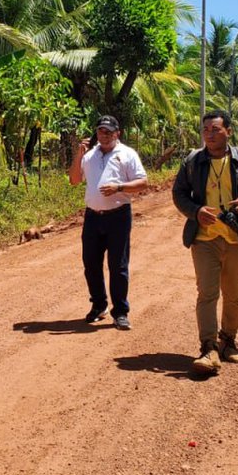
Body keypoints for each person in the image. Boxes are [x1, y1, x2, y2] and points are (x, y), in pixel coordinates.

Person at [172, 110, 238, 376]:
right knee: (207, 293)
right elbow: (179, 193)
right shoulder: (193, 161)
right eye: (206, 129)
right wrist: (195, 212)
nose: (209, 133)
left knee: (233, 294)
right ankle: (208, 348)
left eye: (215, 129)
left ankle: (228, 339)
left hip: (236, 237)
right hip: (204, 238)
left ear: (229, 131)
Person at [67, 115, 148, 329]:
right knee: (91, 264)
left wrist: (119, 187)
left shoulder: (127, 154)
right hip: (93, 216)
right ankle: (98, 305)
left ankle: (120, 311)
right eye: (101, 131)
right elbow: (74, 180)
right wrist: (78, 155)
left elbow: (143, 182)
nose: (104, 135)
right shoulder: (89, 155)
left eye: (109, 131)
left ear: (117, 133)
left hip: (118, 215)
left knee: (118, 265)